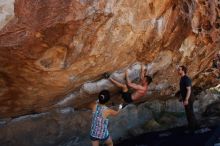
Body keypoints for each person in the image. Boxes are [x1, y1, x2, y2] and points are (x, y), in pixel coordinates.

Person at [177, 65, 198, 131]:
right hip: (186, 98)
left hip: (189, 99)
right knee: (189, 113)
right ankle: (193, 126)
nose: (178, 71)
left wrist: (186, 99)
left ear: (183, 70)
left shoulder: (186, 79)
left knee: (190, 113)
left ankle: (192, 128)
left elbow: (189, 90)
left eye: (179, 69)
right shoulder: (182, 78)